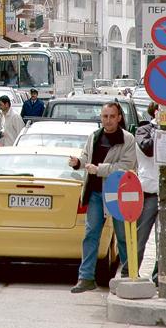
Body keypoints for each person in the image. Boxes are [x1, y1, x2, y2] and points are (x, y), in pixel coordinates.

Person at [69, 102, 137, 293]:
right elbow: (86, 157)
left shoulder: (127, 139)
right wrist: (78, 163)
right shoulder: (94, 136)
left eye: (112, 116)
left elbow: (126, 167)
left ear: (119, 118)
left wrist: (100, 170)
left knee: (123, 236)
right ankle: (86, 277)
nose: (108, 120)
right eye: (105, 116)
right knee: (91, 234)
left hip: (118, 194)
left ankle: (128, 274)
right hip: (96, 193)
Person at [119, 101, 159, 283]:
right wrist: (162, 132)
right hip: (149, 190)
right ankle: (130, 271)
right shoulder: (144, 130)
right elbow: (148, 149)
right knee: (141, 235)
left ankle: (159, 275)